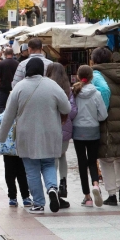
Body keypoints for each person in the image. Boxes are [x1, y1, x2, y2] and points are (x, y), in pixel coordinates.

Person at [0, 58, 71, 214]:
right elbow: (66, 107)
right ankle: (52, 187)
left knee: (31, 169)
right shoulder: (52, 85)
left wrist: (2, 137)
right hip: (50, 133)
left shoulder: (19, 87)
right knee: (49, 163)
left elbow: (8, 116)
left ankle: (38, 203)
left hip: (26, 134)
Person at [90, 47, 120, 206]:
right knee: (119, 157)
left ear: (94, 60)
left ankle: (112, 194)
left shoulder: (96, 75)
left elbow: (102, 94)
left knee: (106, 158)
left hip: (107, 121)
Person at [71, 66, 108, 208]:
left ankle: (87, 197)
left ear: (78, 77)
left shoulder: (74, 92)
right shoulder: (96, 93)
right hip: (93, 131)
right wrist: (95, 118)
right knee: (92, 161)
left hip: (78, 132)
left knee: (82, 163)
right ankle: (96, 185)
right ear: (92, 77)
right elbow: (103, 115)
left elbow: (71, 110)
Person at [46, 62, 76, 208]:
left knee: (53, 158)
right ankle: (63, 181)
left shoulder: (47, 88)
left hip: (50, 127)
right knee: (62, 155)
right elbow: (73, 111)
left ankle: (55, 188)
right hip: (66, 128)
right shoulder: (68, 89)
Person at [0, 48, 19, 113]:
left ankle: (3, 119)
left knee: (2, 106)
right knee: (13, 107)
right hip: (14, 88)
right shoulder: (17, 63)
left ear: (5, 54)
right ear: (12, 53)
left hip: (3, 88)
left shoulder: (1, 63)